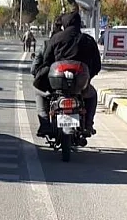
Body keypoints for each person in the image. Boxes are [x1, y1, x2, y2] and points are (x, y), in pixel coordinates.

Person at [32, 8, 101, 137]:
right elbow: (97, 65)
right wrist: (87, 78)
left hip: (57, 84)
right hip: (80, 86)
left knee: (39, 92)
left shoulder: (56, 39)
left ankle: (45, 124)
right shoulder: (88, 40)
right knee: (92, 95)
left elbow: (47, 60)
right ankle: (88, 124)